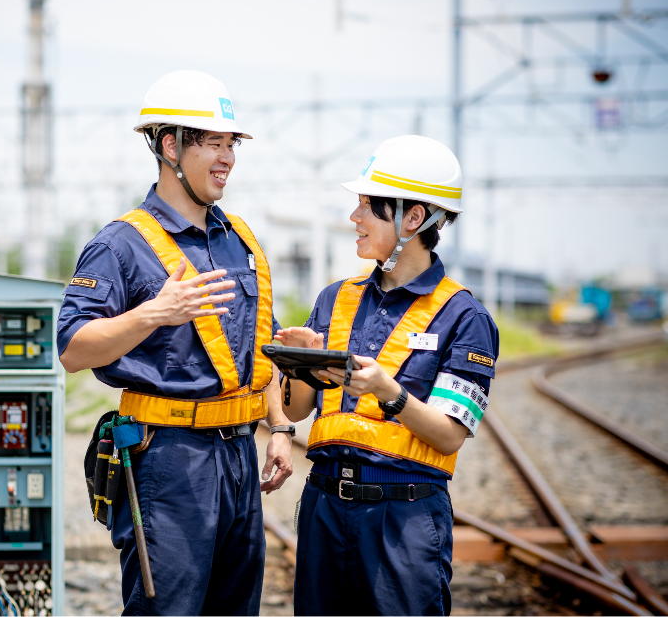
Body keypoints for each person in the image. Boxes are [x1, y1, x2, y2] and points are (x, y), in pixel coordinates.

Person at [57, 70, 295, 615]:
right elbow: (73, 348)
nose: (227, 157)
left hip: (238, 455)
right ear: (170, 146)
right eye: (212, 142)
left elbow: (257, 352)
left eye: (231, 143)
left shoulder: (241, 242)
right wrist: (153, 314)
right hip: (167, 460)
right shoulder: (119, 245)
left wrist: (279, 429)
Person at [276, 135, 499, 616]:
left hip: (405, 517)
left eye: (367, 208)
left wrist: (390, 393)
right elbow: (295, 410)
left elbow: (448, 436)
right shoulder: (335, 298)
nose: (354, 219)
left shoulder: (465, 319)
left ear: (413, 219)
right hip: (325, 505)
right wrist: (299, 365)